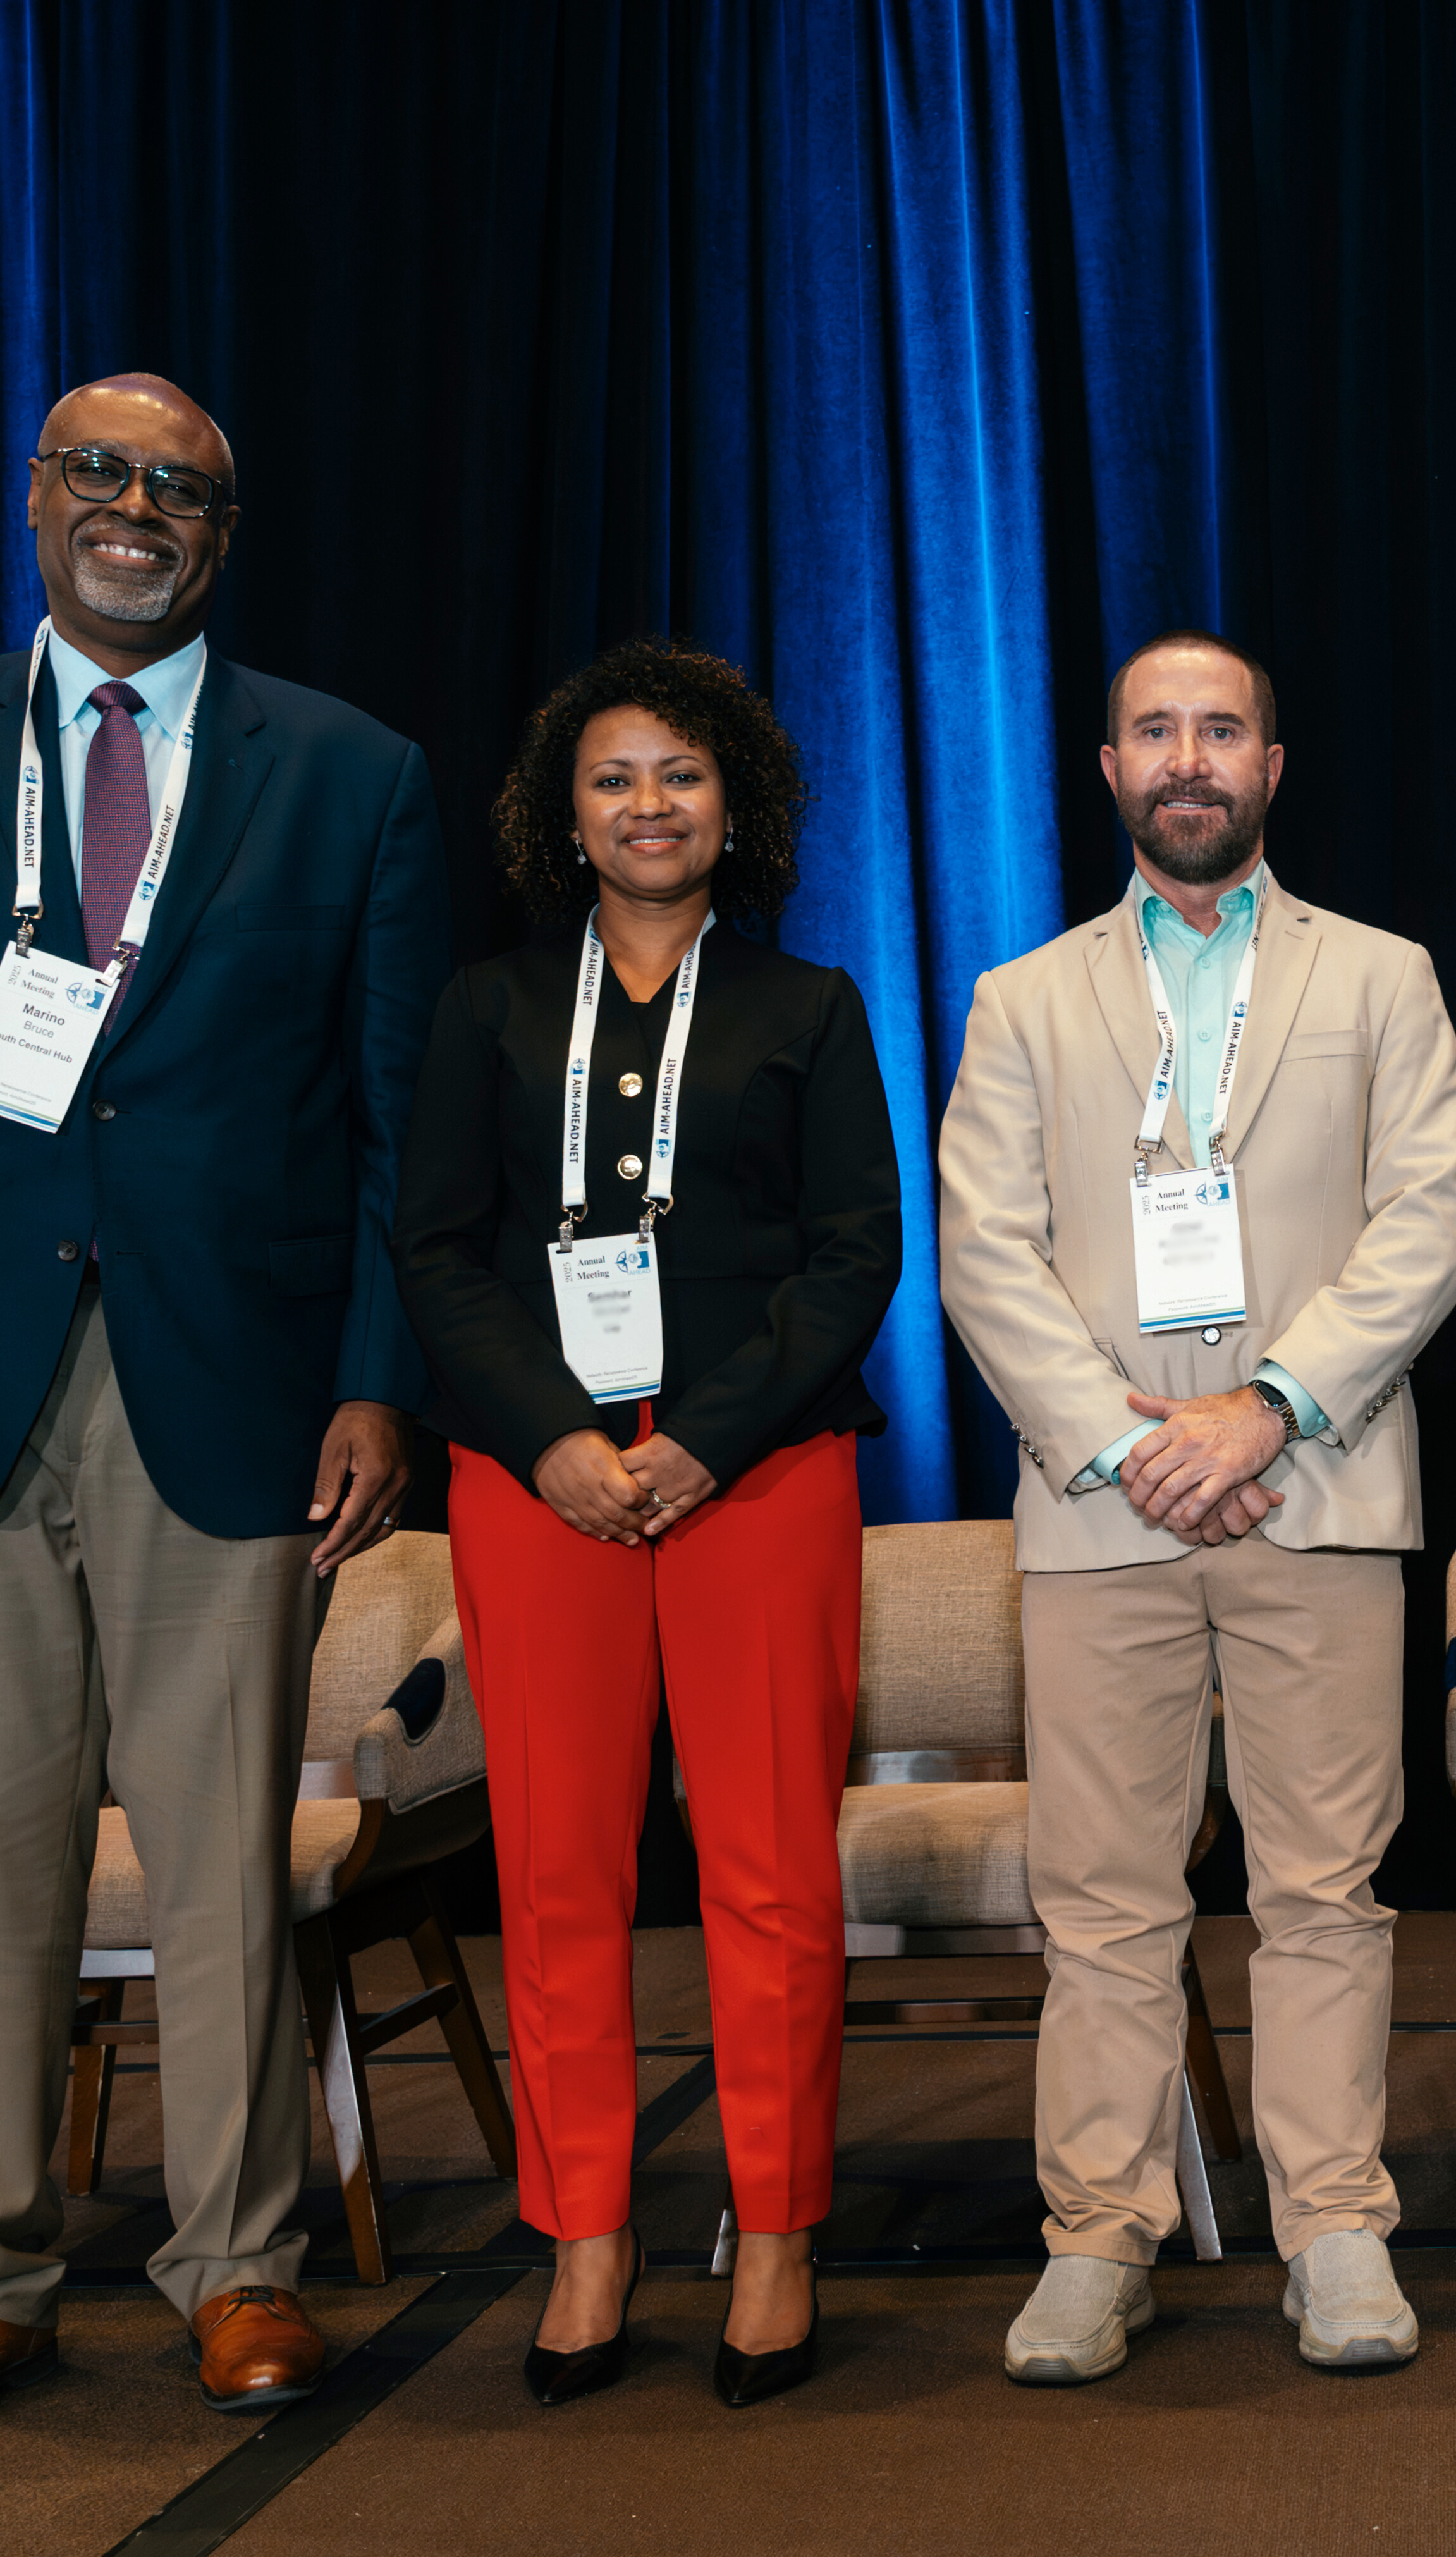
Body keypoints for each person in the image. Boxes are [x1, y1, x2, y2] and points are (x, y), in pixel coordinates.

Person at [0, 374, 444, 2450]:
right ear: (36, 500)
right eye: (101, 474)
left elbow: (396, 1127)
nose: (137, 509)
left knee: (223, 1860)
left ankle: (238, 2271)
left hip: (230, 1389)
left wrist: (375, 1381)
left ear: (222, 533)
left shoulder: (353, 772)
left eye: (182, 488)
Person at [938, 629, 1456, 2384]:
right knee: (1103, 1900)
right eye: (1155, 730)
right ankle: (1099, 2238)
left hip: (1315, 1488)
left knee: (1325, 1887)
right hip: (1104, 1517)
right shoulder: (1023, 997)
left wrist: (1265, 1414)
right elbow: (984, 1252)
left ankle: (1334, 2229)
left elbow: (1431, 1224)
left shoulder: (1382, 979)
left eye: (1221, 729)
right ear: (1107, 769)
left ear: (1271, 760)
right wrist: (1124, 1443)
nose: (1189, 757)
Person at [393, 646, 898, 2409]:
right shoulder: (481, 1010)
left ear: (735, 803)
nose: (650, 806)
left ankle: (775, 2233)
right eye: (614, 778)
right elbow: (438, 1251)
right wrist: (547, 1438)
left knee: (767, 1872)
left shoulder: (811, 1006)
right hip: (537, 1492)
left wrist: (701, 1440)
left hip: (753, 1482)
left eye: (683, 774)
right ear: (564, 815)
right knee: (555, 1875)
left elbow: (856, 1257)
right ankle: (586, 2234)